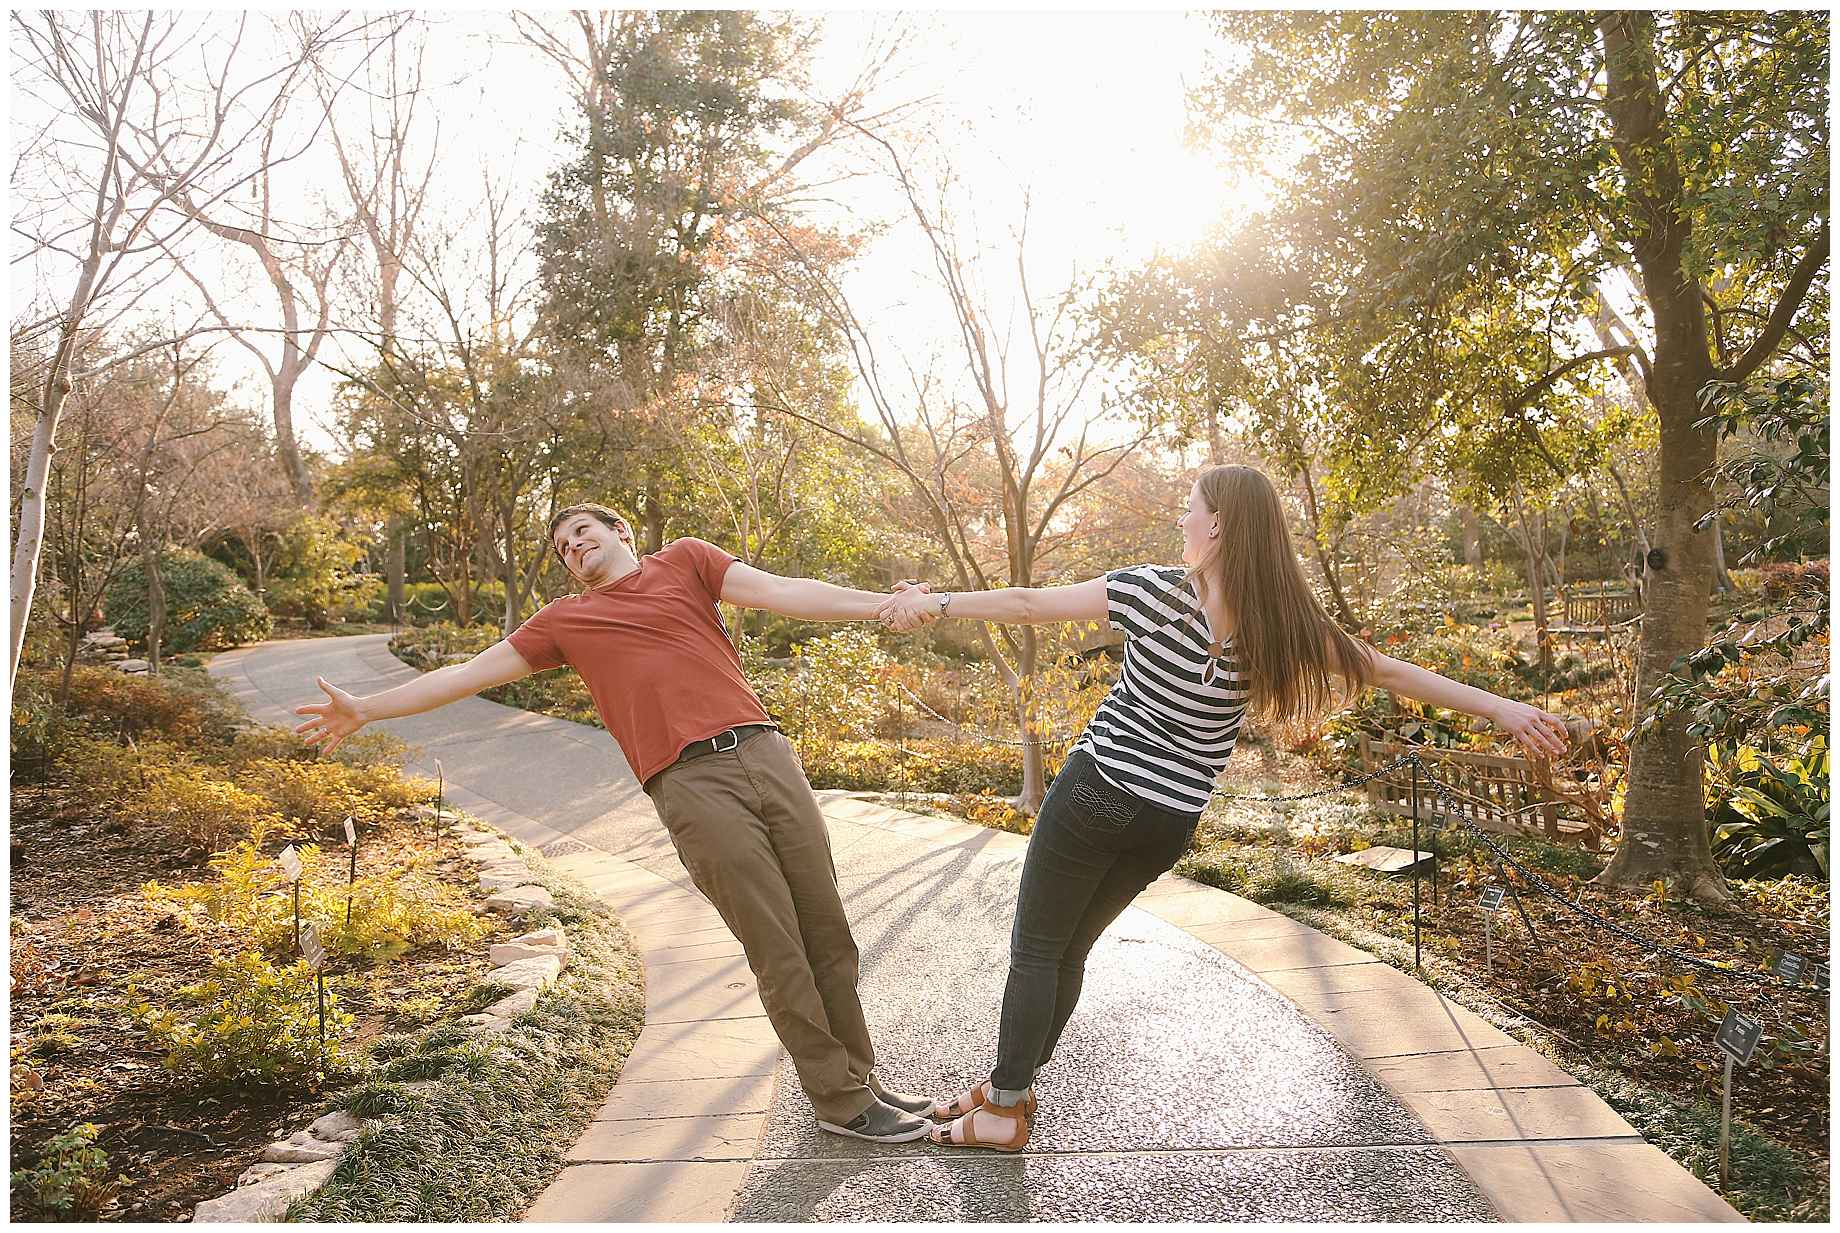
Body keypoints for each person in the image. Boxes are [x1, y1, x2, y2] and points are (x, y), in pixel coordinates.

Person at [875, 464, 1573, 1152]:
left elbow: (1028, 604)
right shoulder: (1282, 625)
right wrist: (1502, 707)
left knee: (1035, 949)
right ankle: (1012, 1088)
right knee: (1071, 950)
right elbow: (1383, 669)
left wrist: (936, 603)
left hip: (1096, 794)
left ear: (1219, 524)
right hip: (1167, 823)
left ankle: (1001, 1110)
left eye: (1191, 505)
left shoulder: (1151, 591)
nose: (1181, 517)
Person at [293, 504, 938, 1143]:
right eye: (561, 545)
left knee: (827, 927)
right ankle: (838, 1098)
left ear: (619, 531)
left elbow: (784, 592)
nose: (573, 545)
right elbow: (466, 675)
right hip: (688, 780)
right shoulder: (566, 622)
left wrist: (882, 603)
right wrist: (369, 709)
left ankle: (862, 1076)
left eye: (582, 532)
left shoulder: (687, 561)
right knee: (776, 940)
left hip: (765, 751)